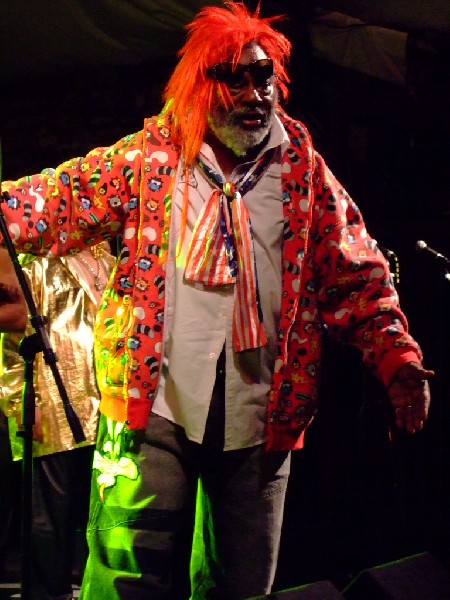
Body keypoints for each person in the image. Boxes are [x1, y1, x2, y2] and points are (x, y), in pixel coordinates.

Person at [0, 2, 433, 598]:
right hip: (154, 408)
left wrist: (397, 359)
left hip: (262, 411)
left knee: (243, 584)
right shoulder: (149, 161)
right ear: (201, 86)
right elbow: (51, 201)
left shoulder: (300, 168)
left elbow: (355, 273)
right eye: (237, 77)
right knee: (130, 579)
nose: (257, 92)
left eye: (264, 77)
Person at [0, 243, 114, 600]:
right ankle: (47, 593)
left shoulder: (108, 259)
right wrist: (20, 401)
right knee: (49, 517)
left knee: (100, 511)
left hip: (106, 405)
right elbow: (13, 339)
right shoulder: (34, 262)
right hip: (52, 407)